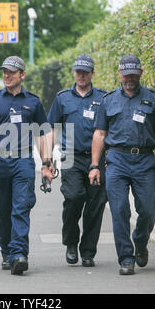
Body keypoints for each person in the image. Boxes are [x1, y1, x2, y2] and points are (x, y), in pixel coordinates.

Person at [89, 54, 155, 275]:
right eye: (126, 75)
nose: (129, 79)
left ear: (140, 73)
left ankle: (140, 240)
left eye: (133, 75)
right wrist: (95, 165)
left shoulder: (153, 99)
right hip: (116, 160)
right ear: (119, 74)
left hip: (144, 161)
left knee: (148, 210)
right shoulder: (108, 100)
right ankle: (126, 257)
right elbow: (99, 133)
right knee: (119, 210)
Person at [0, 56, 54, 275]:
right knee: (2, 210)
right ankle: (7, 250)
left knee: (21, 206)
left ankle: (19, 254)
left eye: (11, 71)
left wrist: (46, 163)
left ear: (22, 75)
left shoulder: (34, 102)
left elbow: (42, 134)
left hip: (23, 161)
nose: (7, 75)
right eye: (4, 71)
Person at [47, 54, 108, 267]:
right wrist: (48, 159)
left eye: (85, 72)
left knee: (95, 205)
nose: (81, 75)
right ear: (74, 73)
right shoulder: (62, 98)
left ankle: (88, 251)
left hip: (97, 159)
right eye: (78, 71)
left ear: (92, 73)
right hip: (70, 157)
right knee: (73, 198)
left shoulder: (103, 98)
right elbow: (52, 128)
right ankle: (71, 242)